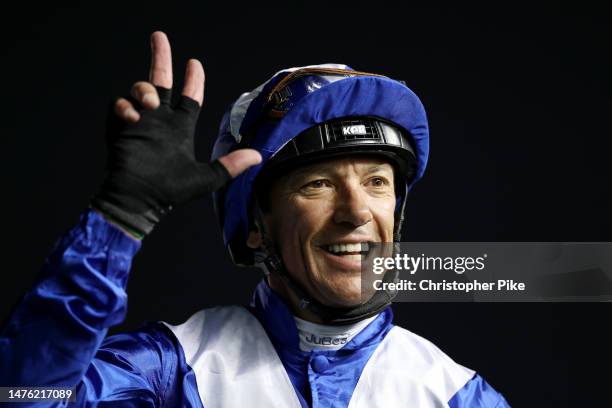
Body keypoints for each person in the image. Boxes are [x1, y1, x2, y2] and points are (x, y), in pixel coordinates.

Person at [0, 31, 509, 407]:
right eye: (319, 185)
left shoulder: (455, 394)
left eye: (377, 182)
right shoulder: (174, 368)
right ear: (255, 226)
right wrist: (119, 218)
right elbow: (24, 397)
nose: (357, 212)